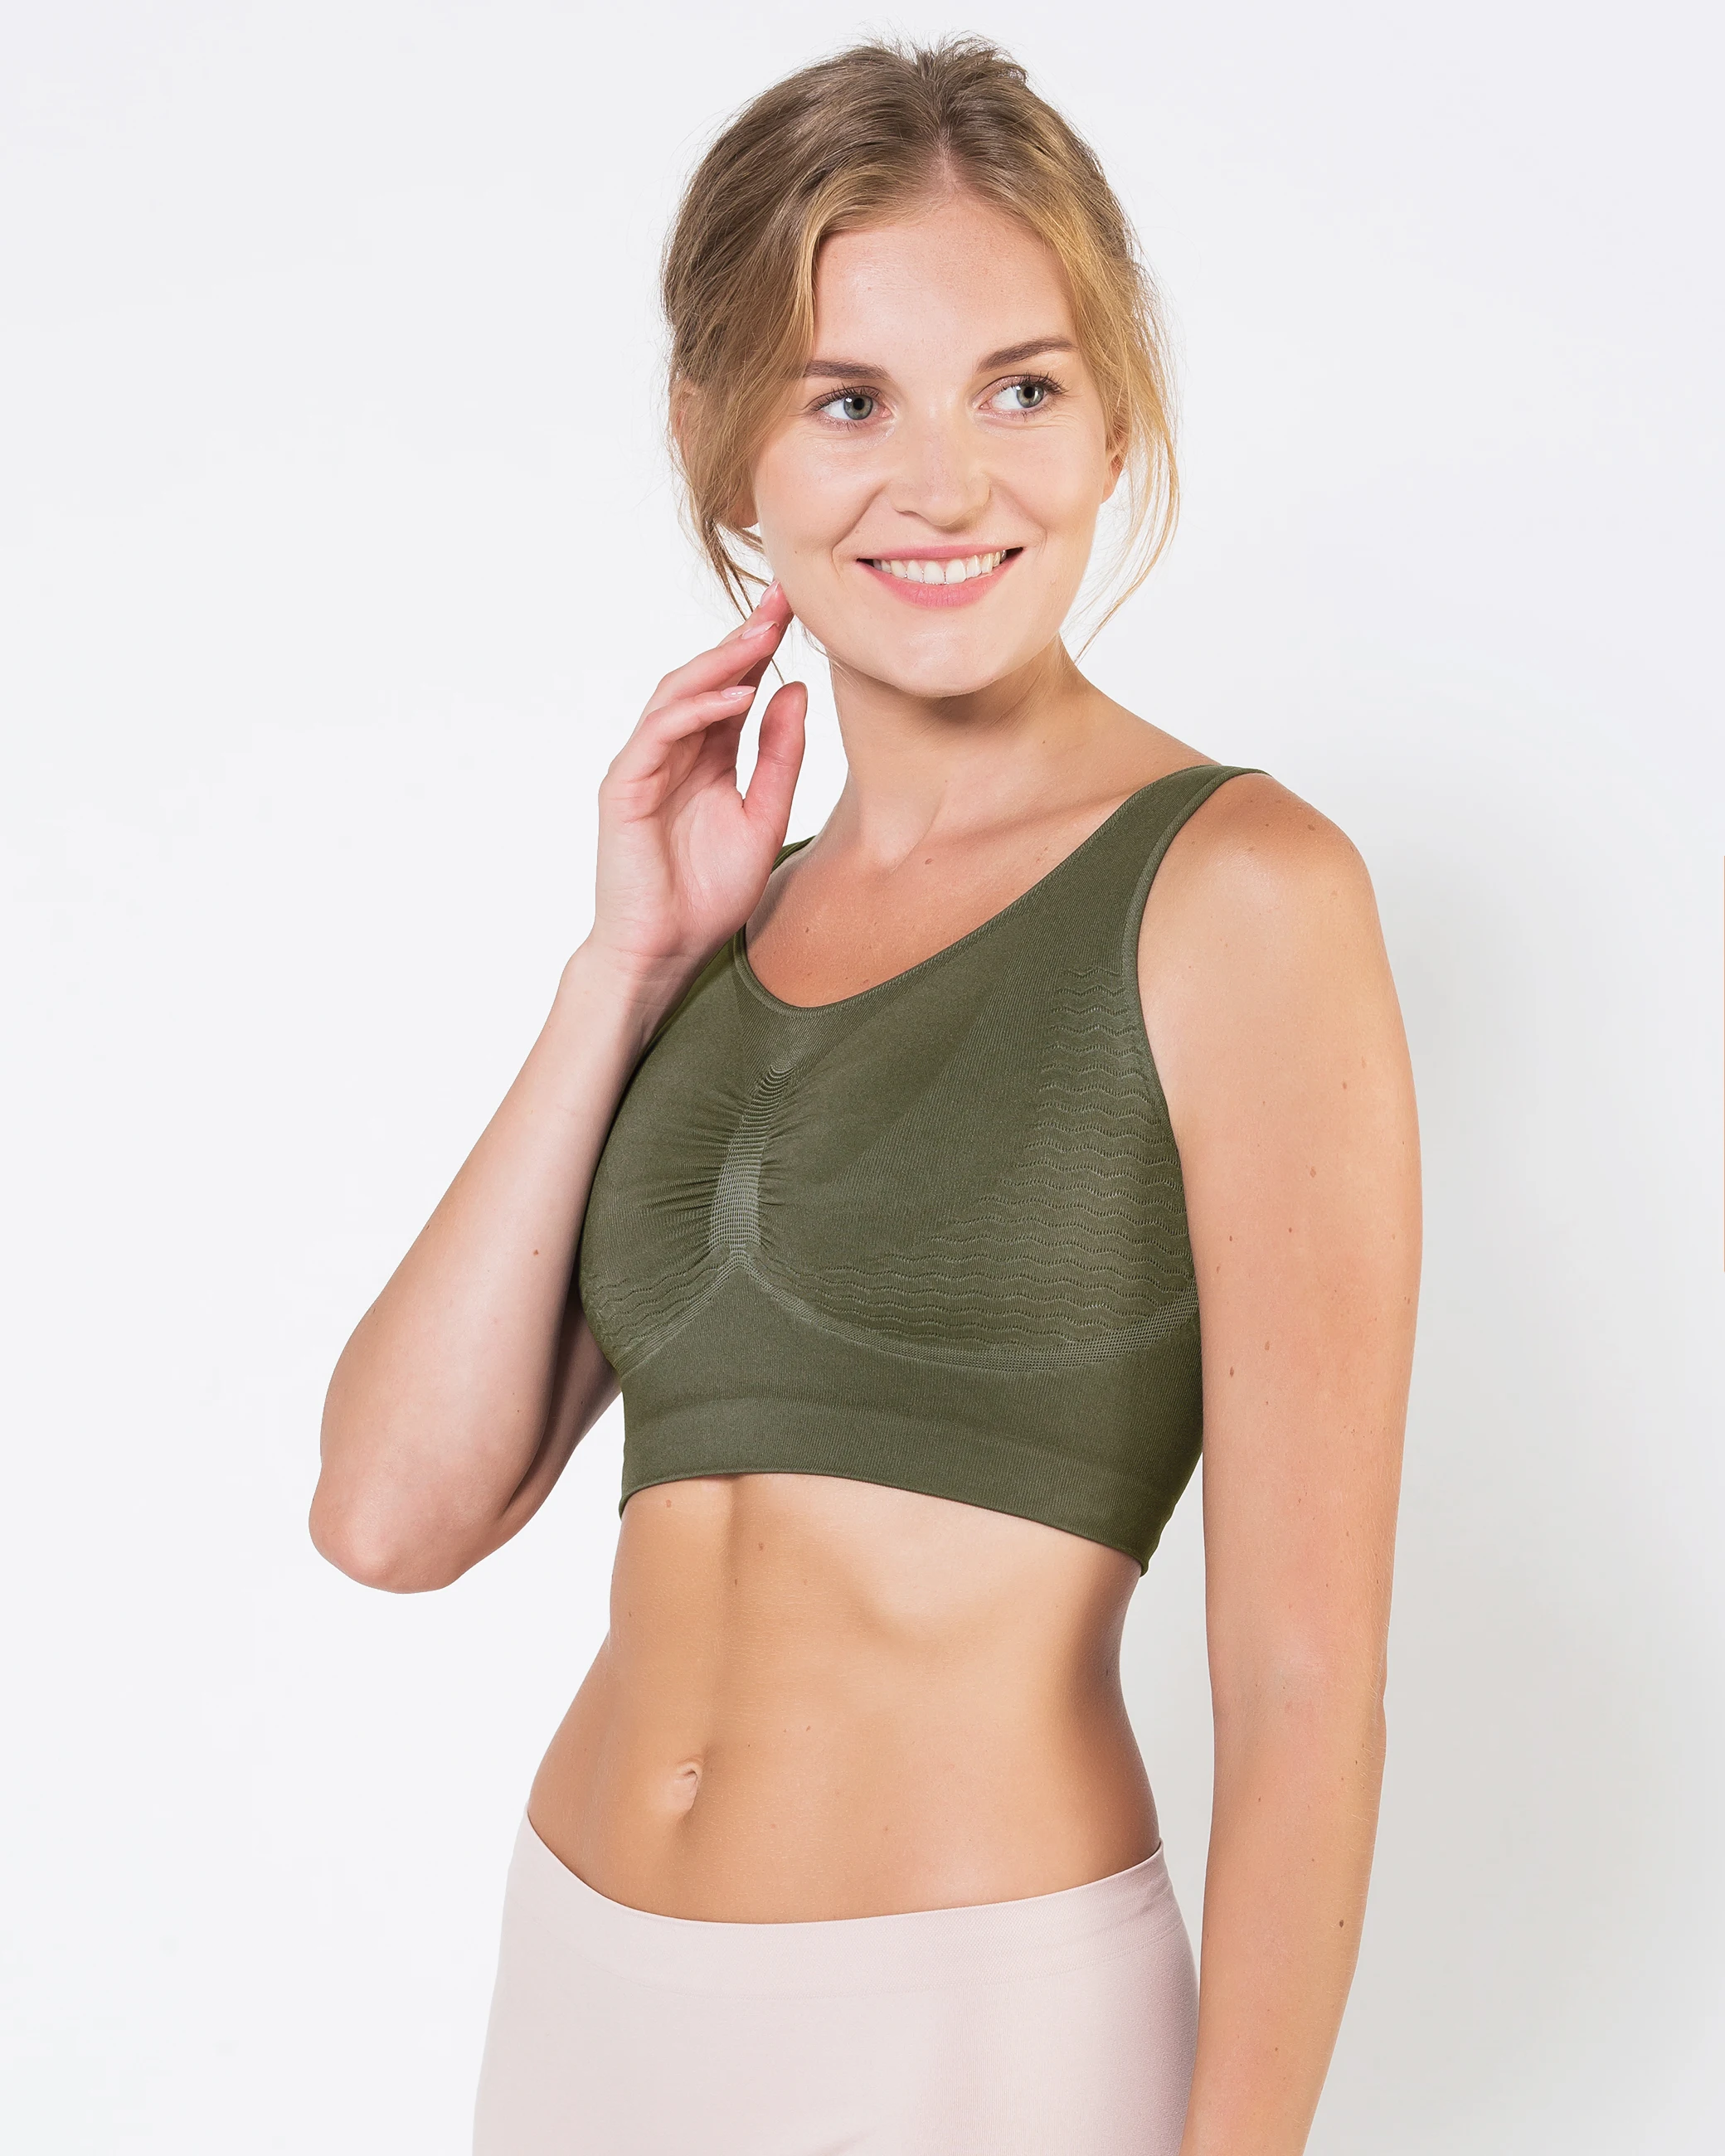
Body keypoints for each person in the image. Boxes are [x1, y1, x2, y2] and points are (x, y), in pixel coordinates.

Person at [310, 35, 1420, 2156]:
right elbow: (389, 1508)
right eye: (847, 402)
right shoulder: (723, 923)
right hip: (583, 2001)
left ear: (1113, 420)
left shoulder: (1237, 891)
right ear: (715, 437)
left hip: (966, 2028)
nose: (944, 485)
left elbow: (1301, 1682)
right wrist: (627, 964)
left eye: (1018, 388)